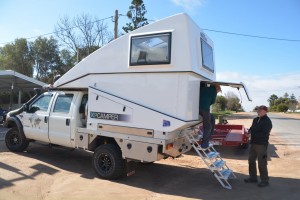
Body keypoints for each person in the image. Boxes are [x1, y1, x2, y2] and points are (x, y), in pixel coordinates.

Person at [244, 105, 272, 187]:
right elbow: (251, 128)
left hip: (261, 145)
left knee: (262, 163)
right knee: (251, 160)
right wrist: (249, 132)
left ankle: (265, 180)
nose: (258, 111)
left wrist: (252, 134)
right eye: (258, 110)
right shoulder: (255, 119)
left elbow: (264, 134)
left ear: (265, 111)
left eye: (260, 110)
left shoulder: (267, 121)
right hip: (253, 143)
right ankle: (253, 178)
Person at [199, 83, 221, 149]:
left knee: (212, 117)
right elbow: (213, 102)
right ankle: (204, 144)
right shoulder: (213, 91)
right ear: (217, 88)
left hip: (197, 108)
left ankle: (210, 135)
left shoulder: (205, 88)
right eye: (218, 90)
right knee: (208, 127)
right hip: (205, 109)